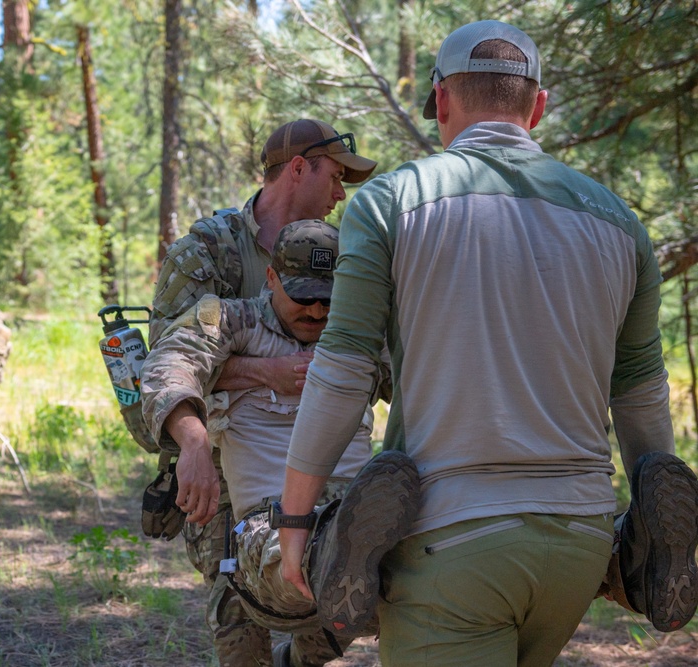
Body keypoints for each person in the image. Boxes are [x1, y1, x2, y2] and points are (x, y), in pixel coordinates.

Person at [275, 19, 698, 667]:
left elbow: (344, 368)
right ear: (539, 106)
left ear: (442, 101)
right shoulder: (618, 221)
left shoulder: (392, 203)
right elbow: (641, 392)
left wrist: (296, 520)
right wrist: (652, 508)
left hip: (451, 541)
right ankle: (642, 552)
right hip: (579, 542)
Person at [148, 119, 377, 665]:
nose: (342, 193)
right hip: (228, 462)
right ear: (299, 168)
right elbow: (162, 367)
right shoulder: (210, 252)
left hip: (324, 452)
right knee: (241, 606)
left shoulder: (345, 256)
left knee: (343, 586)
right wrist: (265, 374)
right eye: (336, 176)